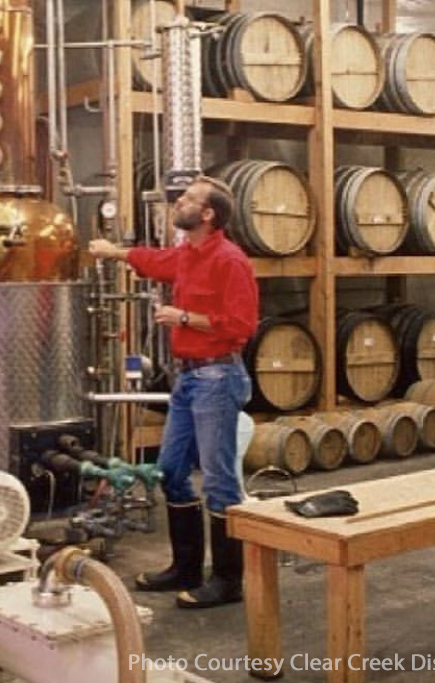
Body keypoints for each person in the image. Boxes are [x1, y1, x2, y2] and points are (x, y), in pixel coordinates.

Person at [89, 175, 258, 609]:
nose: (177, 203)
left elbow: (241, 327)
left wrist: (184, 317)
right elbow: (157, 260)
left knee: (220, 481)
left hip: (218, 378)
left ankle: (227, 580)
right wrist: (116, 253)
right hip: (188, 379)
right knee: (170, 472)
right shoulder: (188, 254)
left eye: (187, 199)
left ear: (207, 215)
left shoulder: (230, 260)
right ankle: (185, 567)